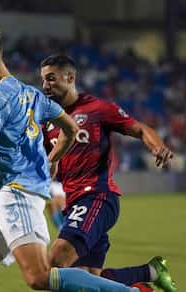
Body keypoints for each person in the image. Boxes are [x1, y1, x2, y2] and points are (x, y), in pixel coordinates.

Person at [0, 26, 142, 292]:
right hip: (7, 198)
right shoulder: (31, 93)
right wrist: (51, 161)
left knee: (39, 278)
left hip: (17, 196)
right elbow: (71, 130)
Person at [39, 55, 177, 292]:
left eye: (51, 79)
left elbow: (140, 129)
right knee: (87, 279)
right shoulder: (48, 121)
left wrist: (157, 147)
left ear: (70, 77)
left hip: (97, 197)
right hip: (74, 204)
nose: (45, 86)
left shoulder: (98, 109)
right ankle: (151, 272)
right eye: (43, 80)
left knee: (55, 263)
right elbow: (42, 166)